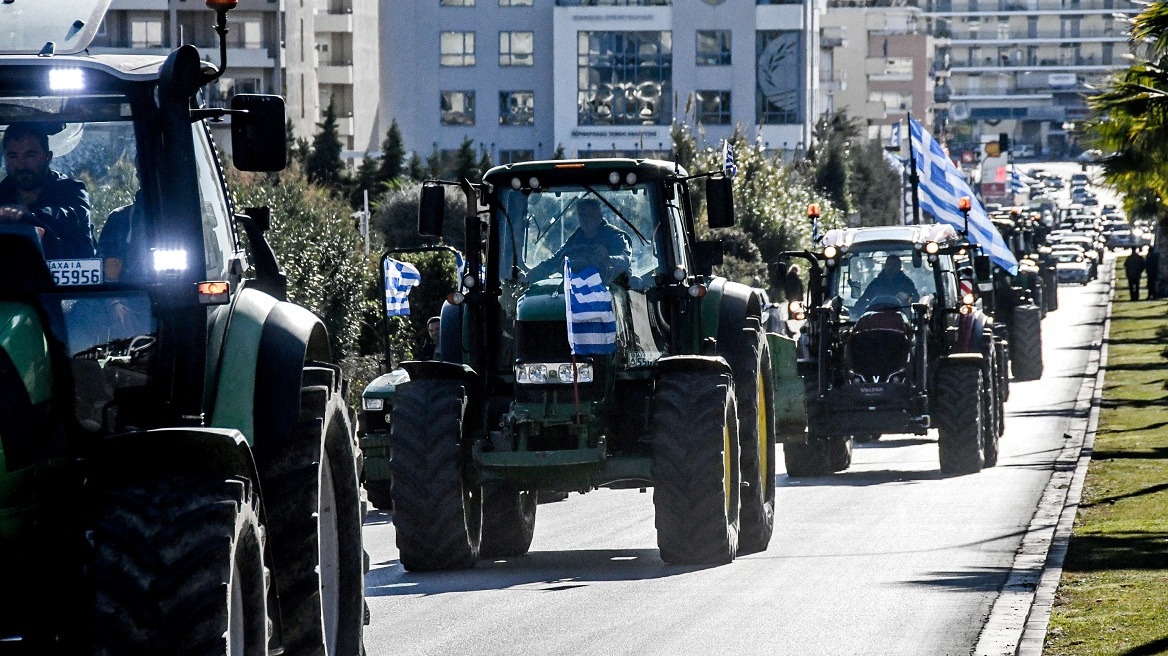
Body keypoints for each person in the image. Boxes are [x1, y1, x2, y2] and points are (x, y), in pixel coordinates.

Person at [0, 122, 95, 259]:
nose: (21, 165)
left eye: (30, 155)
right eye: (13, 156)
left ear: (48, 157)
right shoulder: (2, 193)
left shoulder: (71, 190)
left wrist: (29, 216)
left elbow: (73, 216)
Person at [529, 198, 631, 281]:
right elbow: (555, 261)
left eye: (590, 214)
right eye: (582, 215)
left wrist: (607, 258)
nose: (586, 219)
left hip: (610, 291)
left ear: (599, 215)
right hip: (577, 289)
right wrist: (530, 275)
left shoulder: (614, 236)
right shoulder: (575, 239)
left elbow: (625, 260)